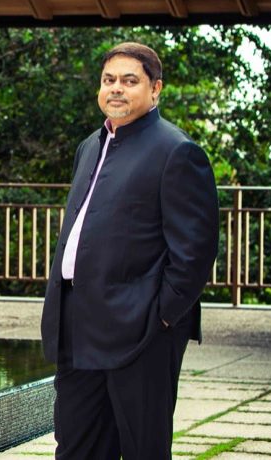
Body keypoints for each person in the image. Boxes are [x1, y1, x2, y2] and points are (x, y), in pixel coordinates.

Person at [40, 42, 220, 459]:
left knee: (143, 449)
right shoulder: (89, 146)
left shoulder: (177, 151)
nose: (116, 88)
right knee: (77, 448)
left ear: (155, 89)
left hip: (142, 329)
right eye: (109, 80)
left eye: (129, 80)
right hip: (78, 324)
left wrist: (161, 315)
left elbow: (195, 251)